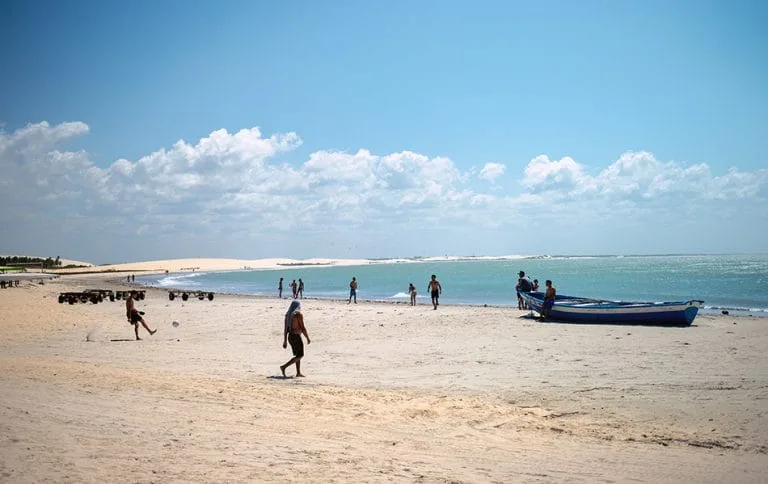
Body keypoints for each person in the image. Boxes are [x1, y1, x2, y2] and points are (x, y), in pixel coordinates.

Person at [280, 300, 310, 377]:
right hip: (296, 337)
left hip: (290, 337)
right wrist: (307, 338)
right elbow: (303, 328)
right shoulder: (298, 315)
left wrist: (285, 341)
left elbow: (285, 329)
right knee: (300, 355)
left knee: (297, 355)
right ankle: (284, 367)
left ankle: (298, 372)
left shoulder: (288, 315)